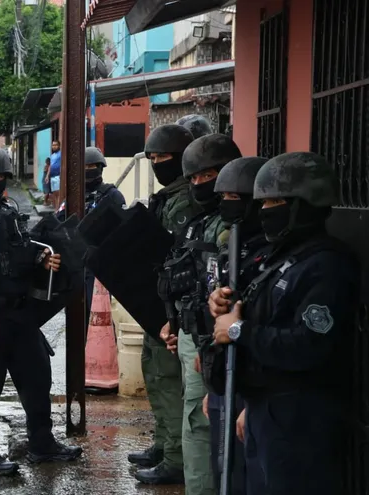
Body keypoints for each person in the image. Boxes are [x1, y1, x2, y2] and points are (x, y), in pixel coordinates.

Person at [211, 152, 359, 495]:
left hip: (300, 417)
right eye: (263, 203)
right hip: (269, 409)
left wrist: (238, 330)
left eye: (275, 202)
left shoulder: (326, 266)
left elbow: (308, 345)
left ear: (304, 205)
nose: (265, 212)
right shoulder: (281, 258)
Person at [0, 145, 82, 475]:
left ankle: (42, 444)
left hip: (21, 316)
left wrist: (41, 258)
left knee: (38, 379)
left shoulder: (9, 210)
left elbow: (19, 252)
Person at [159, 133, 241, 495]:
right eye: (192, 178)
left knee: (200, 425)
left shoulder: (232, 228)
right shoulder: (199, 221)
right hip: (194, 335)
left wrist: (207, 342)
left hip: (216, 340)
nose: (198, 185)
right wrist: (175, 321)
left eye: (206, 176)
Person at [130, 124, 199, 485]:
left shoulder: (185, 200)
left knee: (169, 380)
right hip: (158, 302)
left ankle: (175, 457)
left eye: (162, 158)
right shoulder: (168, 196)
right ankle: (163, 443)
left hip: (175, 305)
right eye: (152, 158)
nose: (156, 163)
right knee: (155, 374)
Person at [201, 156, 272, 495]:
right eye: (223, 197)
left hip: (254, 385)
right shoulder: (231, 245)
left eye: (236, 198)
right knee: (224, 472)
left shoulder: (273, 255)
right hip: (226, 376)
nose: (227, 205)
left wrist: (251, 405)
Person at [56, 147, 126, 330]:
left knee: (100, 318)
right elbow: (56, 225)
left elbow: (122, 232)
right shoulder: (72, 197)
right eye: (85, 166)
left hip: (100, 268)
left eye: (93, 166)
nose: (89, 169)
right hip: (76, 266)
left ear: (101, 168)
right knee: (77, 318)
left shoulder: (112, 195)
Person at [47, 141, 61, 207]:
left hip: (58, 176)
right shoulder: (52, 156)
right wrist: (47, 176)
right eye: (53, 145)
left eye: (56, 145)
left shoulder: (61, 154)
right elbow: (50, 166)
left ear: (59, 146)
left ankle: (58, 210)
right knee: (54, 195)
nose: (54, 146)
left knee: (58, 194)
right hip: (52, 177)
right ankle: (56, 210)